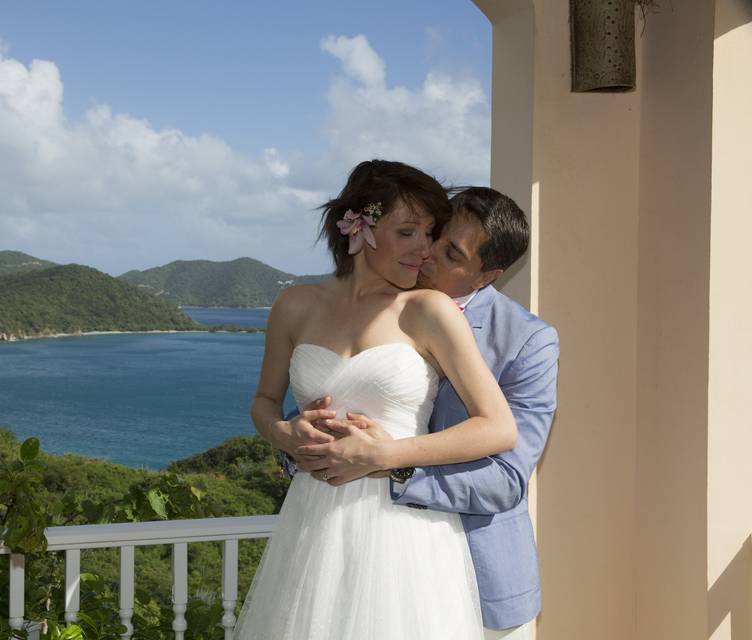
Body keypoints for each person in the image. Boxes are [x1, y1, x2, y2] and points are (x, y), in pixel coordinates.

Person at [233, 161, 518, 640]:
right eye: (407, 232)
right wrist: (284, 432)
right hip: (313, 521)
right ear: (358, 228)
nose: (423, 249)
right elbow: (264, 401)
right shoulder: (295, 305)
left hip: (403, 532)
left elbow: (497, 427)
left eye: (429, 233)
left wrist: (385, 455)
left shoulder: (428, 311)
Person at [286, 186, 560, 640]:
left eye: (450, 252)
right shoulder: (374, 307)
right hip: (359, 565)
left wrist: (388, 464)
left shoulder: (527, 342)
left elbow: (506, 479)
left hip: (479, 585)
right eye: (431, 235)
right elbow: (321, 409)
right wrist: (303, 446)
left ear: (485, 276)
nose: (426, 254)